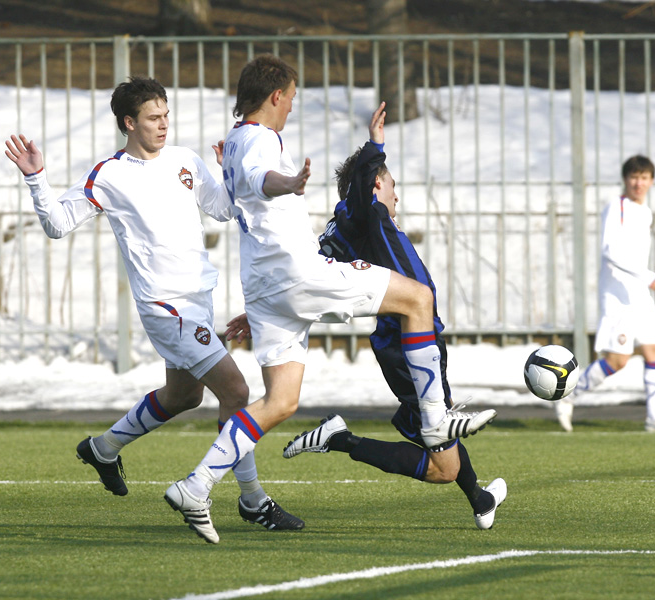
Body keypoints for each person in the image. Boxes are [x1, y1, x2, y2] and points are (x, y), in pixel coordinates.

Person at [164, 54, 496, 543]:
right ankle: (434, 422)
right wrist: (289, 182)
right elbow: (260, 179)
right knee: (417, 298)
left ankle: (196, 485)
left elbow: (233, 202)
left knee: (280, 402)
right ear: (276, 95)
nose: (291, 108)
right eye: (292, 98)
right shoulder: (258, 138)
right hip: (296, 271)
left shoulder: (233, 142)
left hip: (264, 285)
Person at [4, 76, 303, 541]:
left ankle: (103, 448)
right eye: (152, 118)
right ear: (129, 123)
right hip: (166, 309)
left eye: (166, 115)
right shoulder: (110, 175)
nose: (163, 125)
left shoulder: (185, 159)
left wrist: (225, 174)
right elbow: (57, 225)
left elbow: (223, 210)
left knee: (183, 396)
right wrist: (36, 177)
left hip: (197, 301)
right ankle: (252, 500)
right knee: (237, 392)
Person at [281, 102, 506, 529]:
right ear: (375, 185)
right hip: (407, 340)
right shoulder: (364, 212)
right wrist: (375, 147)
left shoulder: (352, 225)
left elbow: (318, 266)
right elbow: (360, 193)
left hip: (413, 337)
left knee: (441, 447)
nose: (395, 195)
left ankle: (480, 499)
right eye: (391, 186)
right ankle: (340, 439)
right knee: (441, 455)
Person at [555, 155, 655, 434]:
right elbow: (610, 251)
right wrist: (646, 275)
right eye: (634, 177)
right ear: (625, 180)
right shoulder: (617, 207)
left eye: (644, 178)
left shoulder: (645, 211)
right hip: (618, 295)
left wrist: (643, 280)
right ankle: (568, 395)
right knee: (617, 361)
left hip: (639, 294)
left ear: (651, 181)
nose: (639, 183)